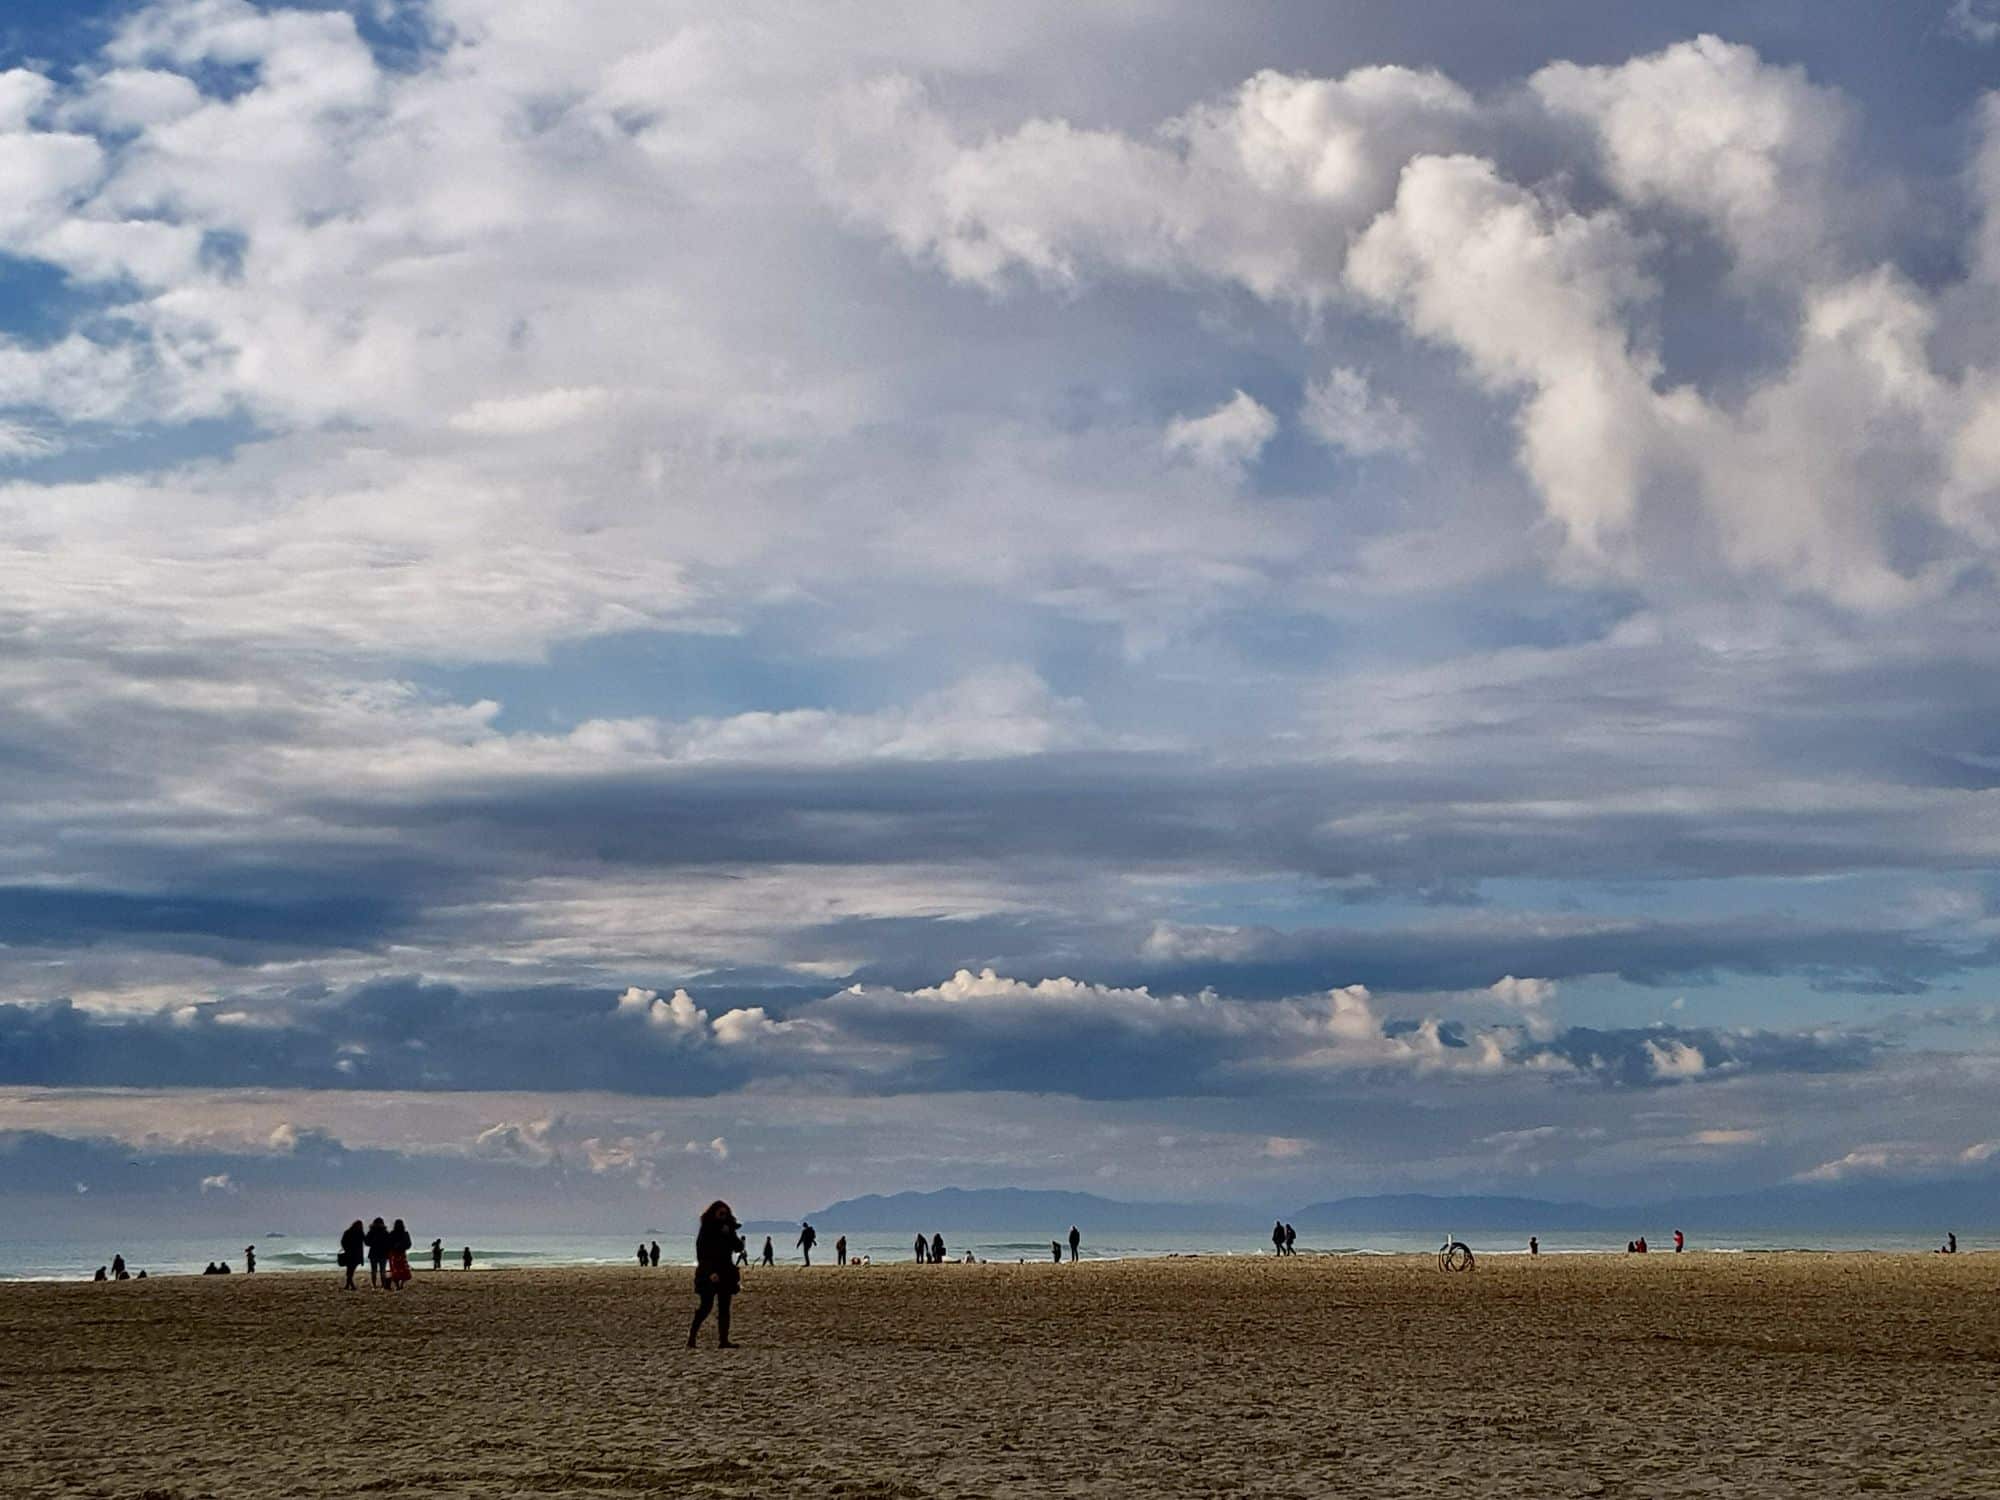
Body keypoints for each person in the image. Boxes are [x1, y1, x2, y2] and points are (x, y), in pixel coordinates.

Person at [688, 1200, 742, 1349]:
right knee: (706, 1307)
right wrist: (710, 1272)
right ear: (714, 1213)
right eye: (721, 1213)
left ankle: (723, 1340)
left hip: (726, 1271)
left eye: (725, 1213)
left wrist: (730, 1234)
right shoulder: (706, 1230)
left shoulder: (729, 1229)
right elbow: (702, 1253)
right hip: (709, 1273)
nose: (723, 1216)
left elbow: (738, 1248)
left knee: (725, 1307)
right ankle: (692, 1338)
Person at [386, 1218, 413, 1290]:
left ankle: (397, 1285)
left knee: (396, 1270)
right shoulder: (405, 1234)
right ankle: (400, 1285)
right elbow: (409, 1244)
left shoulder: (392, 1233)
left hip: (394, 1254)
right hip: (401, 1253)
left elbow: (388, 1244)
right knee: (403, 1270)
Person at [364, 1217, 389, 1288]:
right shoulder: (385, 1232)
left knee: (374, 1270)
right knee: (382, 1270)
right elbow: (389, 1243)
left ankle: (374, 1284)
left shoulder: (371, 1232)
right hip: (383, 1253)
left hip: (373, 1253)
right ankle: (383, 1285)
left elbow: (366, 1242)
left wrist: (373, 1243)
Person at [341, 1220, 365, 1290]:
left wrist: (346, 1249)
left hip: (349, 1254)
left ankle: (349, 1285)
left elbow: (343, 1242)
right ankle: (350, 1285)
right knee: (351, 1271)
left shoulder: (348, 1232)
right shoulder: (360, 1232)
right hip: (356, 1255)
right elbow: (366, 1241)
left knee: (350, 1270)